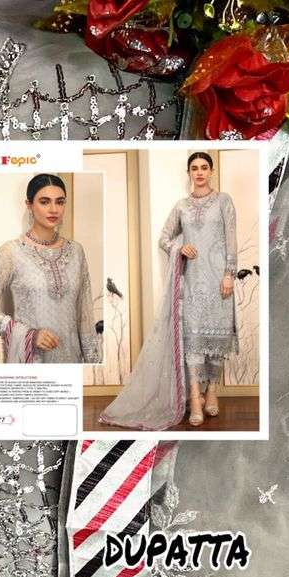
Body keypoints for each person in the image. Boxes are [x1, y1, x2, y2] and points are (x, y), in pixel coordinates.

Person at [100, 151, 238, 429]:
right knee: (193, 340)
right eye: (194, 168)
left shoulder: (224, 201)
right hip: (191, 282)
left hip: (218, 281)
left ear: (211, 171)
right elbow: (164, 239)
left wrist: (229, 274)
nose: (199, 172)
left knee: (218, 338)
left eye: (204, 167)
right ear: (189, 173)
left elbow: (231, 238)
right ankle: (195, 398)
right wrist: (180, 247)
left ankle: (212, 391)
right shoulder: (181, 206)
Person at [0, 173, 100, 365]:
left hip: (71, 361)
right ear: (29, 205)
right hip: (32, 362)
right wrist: (30, 335)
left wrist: (93, 364)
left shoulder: (76, 251)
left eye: (60, 202)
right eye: (44, 202)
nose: (54, 209)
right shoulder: (11, 252)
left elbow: (84, 313)